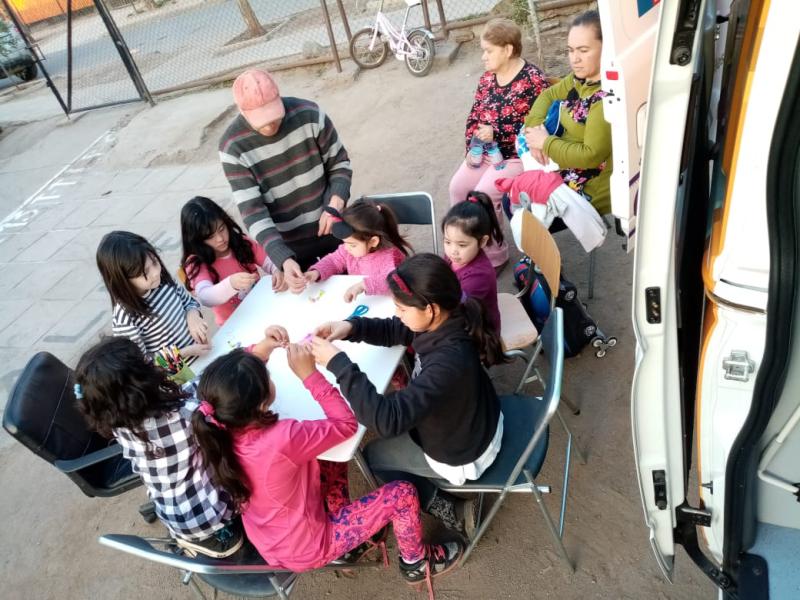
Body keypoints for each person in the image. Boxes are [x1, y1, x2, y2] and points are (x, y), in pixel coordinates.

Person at [192, 343, 464, 589]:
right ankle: (416, 563)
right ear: (262, 403)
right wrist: (309, 374)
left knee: (330, 461)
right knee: (402, 494)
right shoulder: (282, 438)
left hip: (271, 538)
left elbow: (231, 385)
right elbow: (346, 424)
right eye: (268, 377)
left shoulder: (219, 425)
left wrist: (259, 349)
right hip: (308, 546)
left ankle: (351, 541)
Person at [310, 253, 506, 535]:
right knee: (385, 412)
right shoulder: (451, 316)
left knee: (373, 457)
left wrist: (337, 364)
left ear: (431, 309)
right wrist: (351, 326)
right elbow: (398, 329)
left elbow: (386, 421)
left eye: (402, 309)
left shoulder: (448, 360)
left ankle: (450, 507)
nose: (398, 314)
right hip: (480, 419)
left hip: (466, 452)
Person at [74, 336, 250, 558]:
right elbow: (214, 400)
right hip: (211, 517)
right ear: (140, 386)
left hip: (173, 512)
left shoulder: (120, 422)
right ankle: (215, 540)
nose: (151, 362)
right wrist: (240, 362)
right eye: (145, 362)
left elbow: (192, 389)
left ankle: (191, 538)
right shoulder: (184, 417)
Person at [219, 68, 352, 292]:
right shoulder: (232, 146)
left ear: (279, 97)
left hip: (332, 224)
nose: (271, 126)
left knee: (351, 290)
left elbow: (339, 163)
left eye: (274, 116)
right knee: (312, 299)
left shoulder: (310, 114)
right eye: (262, 122)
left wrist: (335, 204)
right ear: (242, 112)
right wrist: (282, 258)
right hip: (288, 244)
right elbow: (253, 212)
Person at [449, 18, 549, 268]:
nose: (483, 57)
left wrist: (498, 133)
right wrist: (471, 151)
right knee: (457, 188)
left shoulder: (532, 79)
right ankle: (461, 247)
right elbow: (474, 116)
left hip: (516, 156)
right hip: (485, 152)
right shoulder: (486, 79)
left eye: (488, 51)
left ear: (508, 49)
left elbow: (540, 126)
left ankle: (495, 255)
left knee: (483, 194)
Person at [524, 10, 612, 217]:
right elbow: (548, 95)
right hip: (560, 161)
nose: (575, 59)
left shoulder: (604, 97)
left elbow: (590, 156)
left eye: (583, 50)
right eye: (570, 50)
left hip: (588, 183)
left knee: (522, 203)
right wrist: (534, 129)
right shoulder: (579, 79)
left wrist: (545, 143)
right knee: (516, 194)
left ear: (607, 48)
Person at [97, 231, 210, 363]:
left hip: (202, 354)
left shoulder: (163, 281)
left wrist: (193, 316)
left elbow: (189, 302)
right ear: (122, 280)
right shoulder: (125, 318)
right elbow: (141, 363)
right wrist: (185, 353)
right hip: (178, 377)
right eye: (145, 272)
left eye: (155, 262)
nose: (156, 273)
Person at [181, 196, 287, 327]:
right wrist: (231, 284)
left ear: (226, 222)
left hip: (263, 308)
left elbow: (269, 261)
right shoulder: (196, 262)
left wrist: (277, 270)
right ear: (197, 240)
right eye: (210, 237)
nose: (220, 239)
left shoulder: (241, 242)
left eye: (221, 229)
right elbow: (205, 297)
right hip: (234, 325)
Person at [304, 199, 411, 302]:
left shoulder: (390, 256)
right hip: (362, 300)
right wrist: (316, 272)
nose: (346, 248)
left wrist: (363, 285)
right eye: (344, 242)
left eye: (352, 245)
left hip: (387, 305)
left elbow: (393, 281)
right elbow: (334, 260)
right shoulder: (349, 250)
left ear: (373, 242)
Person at [442, 192, 501, 332]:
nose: (453, 251)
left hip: (480, 332)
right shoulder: (453, 256)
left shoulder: (479, 277)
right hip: (460, 318)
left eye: (462, 245)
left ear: (482, 241)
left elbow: (455, 313)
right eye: (447, 242)